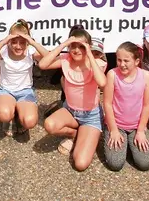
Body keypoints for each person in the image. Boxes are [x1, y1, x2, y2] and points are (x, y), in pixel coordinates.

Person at [40, 26, 107, 172]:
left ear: (88, 47)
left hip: (90, 116)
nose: (76, 50)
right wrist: (64, 45)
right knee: (49, 124)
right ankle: (75, 134)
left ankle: (86, 134)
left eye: (81, 46)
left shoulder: (98, 63)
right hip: (70, 111)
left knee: (80, 164)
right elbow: (42, 64)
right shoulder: (66, 59)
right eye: (73, 46)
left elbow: (102, 83)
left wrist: (89, 54)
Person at [0, 20, 47, 137]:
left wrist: (33, 43)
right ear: (9, 41)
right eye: (14, 42)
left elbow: (49, 58)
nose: (18, 46)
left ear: (27, 42)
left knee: (29, 121)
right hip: (6, 91)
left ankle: (19, 115)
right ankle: (9, 117)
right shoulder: (4, 51)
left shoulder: (30, 51)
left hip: (25, 91)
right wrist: (3, 42)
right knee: (4, 114)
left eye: (22, 42)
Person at [102, 41, 149, 172]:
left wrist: (141, 130)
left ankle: (130, 144)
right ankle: (117, 140)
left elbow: (147, 105)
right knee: (115, 164)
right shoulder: (112, 74)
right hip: (117, 125)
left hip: (136, 126)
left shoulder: (146, 76)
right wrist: (113, 130)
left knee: (145, 163)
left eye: (126, 60)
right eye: (119, 60)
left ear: (137, 61)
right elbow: (107, 103)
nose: (122, 64)